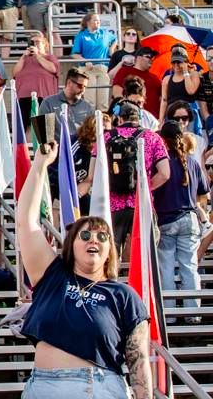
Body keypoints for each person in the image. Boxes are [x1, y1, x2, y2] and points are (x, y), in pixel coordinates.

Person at [16, 141, 152, 399]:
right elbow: (26, 221)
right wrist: (40, 164)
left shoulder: (123, 295)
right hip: (43, 387)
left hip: (99, 387)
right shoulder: (52, 276)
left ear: (110, 249)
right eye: (85, 234)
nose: (93, 240)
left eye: (102, 237)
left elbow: (139, 359)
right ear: (71, 245)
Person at [153, 120, 208, 319]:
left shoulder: (160, 164)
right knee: (189, 267)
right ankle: (193, 315)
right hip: (190, 218)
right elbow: (204, 193)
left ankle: (169, 315)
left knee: (166, 267)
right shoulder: (192, 162)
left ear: (163, 140)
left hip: (166, 219)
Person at [105, 103, 169, 254]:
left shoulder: (106, 137)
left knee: (111, 255)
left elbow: (94, 172)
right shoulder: (153, 137)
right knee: (145, 254)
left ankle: (113, 278)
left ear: (120, 118)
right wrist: (145, 187)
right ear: (139, 118)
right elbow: (165, 173)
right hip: (141, 204)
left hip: (113, 206)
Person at [13, 31, 61, 120]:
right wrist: (23, 57)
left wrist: (38, 55)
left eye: (37, 42)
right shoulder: (25, 59)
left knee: (42, 126)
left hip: (43, 97)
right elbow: (15, 73)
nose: (34, 44)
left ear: (44, 44)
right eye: (32, 42)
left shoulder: (49, 57)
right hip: (24, 97)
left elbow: (53, 69)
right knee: (26, 127)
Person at [39, 68, 96, 133]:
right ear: (69, 82)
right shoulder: (48, 103)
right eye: (80, 86)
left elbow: (92, 134)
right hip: (57, 143)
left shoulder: (88, 107)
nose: (83, 90)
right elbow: (42, 134)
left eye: (85, 87)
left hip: (81, 143)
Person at [110, 48, 162, 112]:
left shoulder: (155, 78)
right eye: (149, 56)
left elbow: (162, 98)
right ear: (138, 58)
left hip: (152, 119)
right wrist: (125, 109)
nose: (151, 59)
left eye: (153, 57)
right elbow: (117, 93)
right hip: (130, 115)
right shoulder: (124, 71)